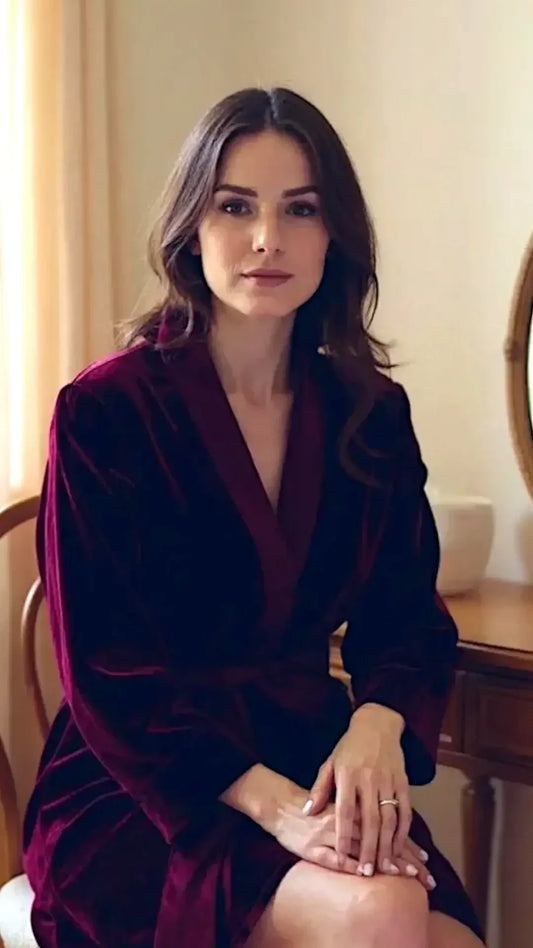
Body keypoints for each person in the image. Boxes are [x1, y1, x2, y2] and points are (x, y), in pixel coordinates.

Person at [22, 86, 485, 947]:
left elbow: (406, 619)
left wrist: (377, 722)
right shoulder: (107, 411)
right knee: (383, 913)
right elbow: (106, 672)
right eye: (235, 206)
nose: (268, 238)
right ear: (191, 228)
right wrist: (278, 811)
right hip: (146, 787)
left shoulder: (367, 412)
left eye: (299, 209)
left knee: (449, 938)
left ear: (333, 233)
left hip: (307, 748)